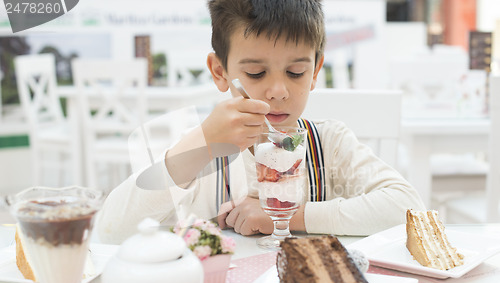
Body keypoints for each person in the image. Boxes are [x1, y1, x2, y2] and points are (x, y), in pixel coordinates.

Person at [95, 0, 425, 244]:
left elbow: (408, 209)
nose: (278, 91)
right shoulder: (203, 154)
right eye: (256, 73)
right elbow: (109, 230)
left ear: (315, 70)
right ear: (219, 71)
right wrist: (203, 142)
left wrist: (283, 216)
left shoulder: (329, 145)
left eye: (296, 72)